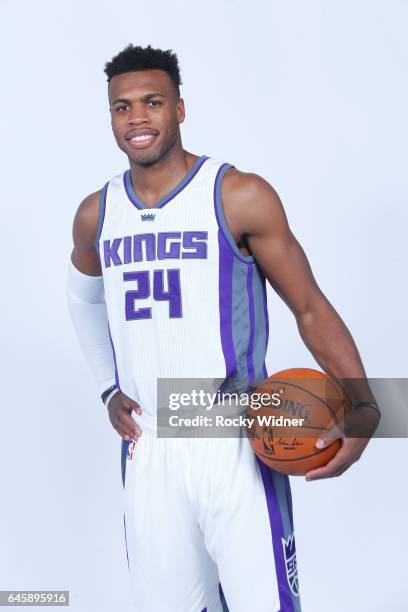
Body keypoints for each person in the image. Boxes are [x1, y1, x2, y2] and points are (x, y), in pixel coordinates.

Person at [67, 44, 380, 612]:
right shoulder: (97, 212)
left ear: (180, 109)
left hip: (232, 433)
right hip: (150, 444)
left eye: (152, 102)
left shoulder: (237, 195)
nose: (137, 117)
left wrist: (368, 405)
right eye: (122, 107)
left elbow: (308, 305)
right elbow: (81, 297)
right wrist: (108, 388)